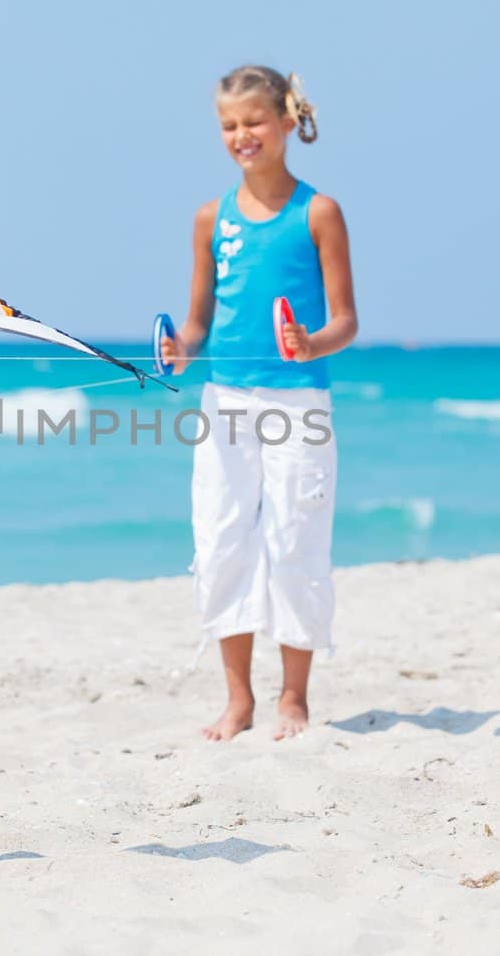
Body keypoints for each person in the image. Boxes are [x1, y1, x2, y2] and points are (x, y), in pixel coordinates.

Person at [160, 66, 358, 742]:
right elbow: (197, 323)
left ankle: (294, 697)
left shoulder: (319, 212)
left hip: (299, 402)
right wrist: (178, 350)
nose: (242, 135)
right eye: (228, 125)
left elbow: (345, 322)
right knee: (220, 541)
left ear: (284, 121)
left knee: (295, 539)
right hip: (226, 402)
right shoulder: (209, 218)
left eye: (253, 121)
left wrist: (310, 342)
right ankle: (238, 698)